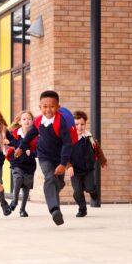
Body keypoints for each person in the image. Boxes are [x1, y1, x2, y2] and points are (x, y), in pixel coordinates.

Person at [15, 90, 72, 226]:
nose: (48, 109)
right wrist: (21, 147)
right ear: (40, 107)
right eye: (45, 106)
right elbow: (30, 135)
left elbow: (67, 144)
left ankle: (56, 188)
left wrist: (63, 164)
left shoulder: (61, 122)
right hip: (44, 156)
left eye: (52, 106)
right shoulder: (39, 120)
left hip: (59, 158)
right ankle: (55, 210)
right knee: (50, 178)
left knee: (58, 182)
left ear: (57, 107)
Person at [67, 110, 100, 217]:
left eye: (82, 124)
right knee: (77, 192)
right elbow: (63, 154)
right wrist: (69, 166)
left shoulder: (88, 137)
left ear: (85, 124)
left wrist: (102, 160)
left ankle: (93, 191)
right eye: (76, 124)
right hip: (75, 171)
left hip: (88, 169)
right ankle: (82, 209)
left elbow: (97, 149)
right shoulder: (68, 138)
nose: (79, 127)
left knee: (89, 187)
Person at [8, 110, 37, 217]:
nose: (27, 121)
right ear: (19, 122)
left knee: (26, 188)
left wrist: (32, 153)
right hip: (16, 162)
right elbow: (8, 143)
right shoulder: (14, 134)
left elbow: (40, 150)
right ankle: (14, 201)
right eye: (24, 119)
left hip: (29, 165)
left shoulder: (35, 135)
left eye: (29, 119)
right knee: (18, 179)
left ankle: (22, 210)